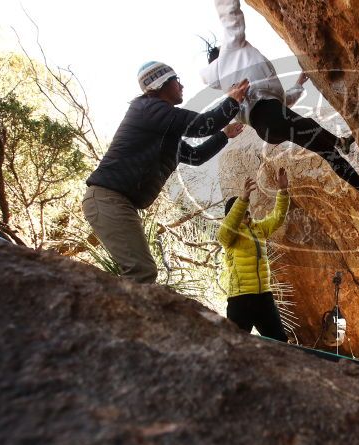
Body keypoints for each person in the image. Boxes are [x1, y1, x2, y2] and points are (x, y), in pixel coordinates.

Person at [200, 0, 359, 203]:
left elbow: (280, 102)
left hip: (269, 125)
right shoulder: (230, 53)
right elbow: (230, 17)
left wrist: (299, 83)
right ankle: (341, 143)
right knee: (312, 128)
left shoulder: (231, 92)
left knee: (325, 149)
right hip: (271, 116)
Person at [83, 61, 249, 283]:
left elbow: (196, 157)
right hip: (107, 199)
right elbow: (203, 125)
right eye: (176, 80)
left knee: (142, 272)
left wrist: (225, 135)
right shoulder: (148, 109)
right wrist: (232, 101)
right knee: (141, 272)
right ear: (162, 84)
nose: (181, 86)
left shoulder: (163, 129)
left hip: (115, 202)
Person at [218, 169, 290, 341]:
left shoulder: (258, 228)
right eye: (240, 211)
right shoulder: (229, 235)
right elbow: (226, 230)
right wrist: (242, 199)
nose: (245, 214)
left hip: (264, 297)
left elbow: (278, 218)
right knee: (235, 344)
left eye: (246, 210)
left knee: (280, 342)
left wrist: (283, 191)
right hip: (240, 299)